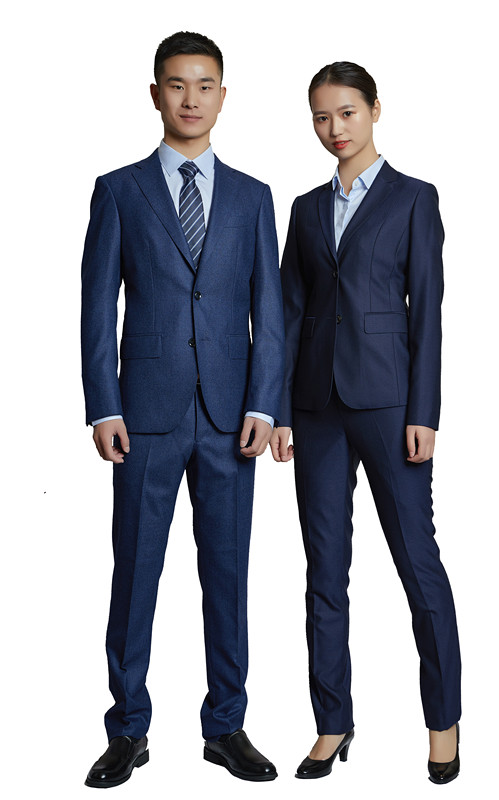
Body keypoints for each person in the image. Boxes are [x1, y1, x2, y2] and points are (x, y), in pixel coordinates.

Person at [81, 31, 284, 787]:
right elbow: (96, 306)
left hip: (232, 420)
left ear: (222, 96)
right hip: (143, 417)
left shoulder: (253, 197)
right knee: (135, 573)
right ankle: (127, 729)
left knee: (226, 576)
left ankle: (225, 726)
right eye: (176, 85)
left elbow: (270, 311)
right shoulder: (119, 190)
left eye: (204, 86)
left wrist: (265, 403)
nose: (190, 99)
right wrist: (103, 404)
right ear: (155, 94)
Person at [270, 61, 461, 784]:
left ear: (375, 110)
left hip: (388, 406)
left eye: (346, 113)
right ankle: (332, 721)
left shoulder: (414, 198)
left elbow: (428, 312)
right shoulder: (304, 209)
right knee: (324, 571)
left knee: (418, 566)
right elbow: (289, 314)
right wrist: (280, 410)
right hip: (315, 409)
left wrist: (424, 412)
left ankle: (442, 723)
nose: (334, 129)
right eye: (321, 117)